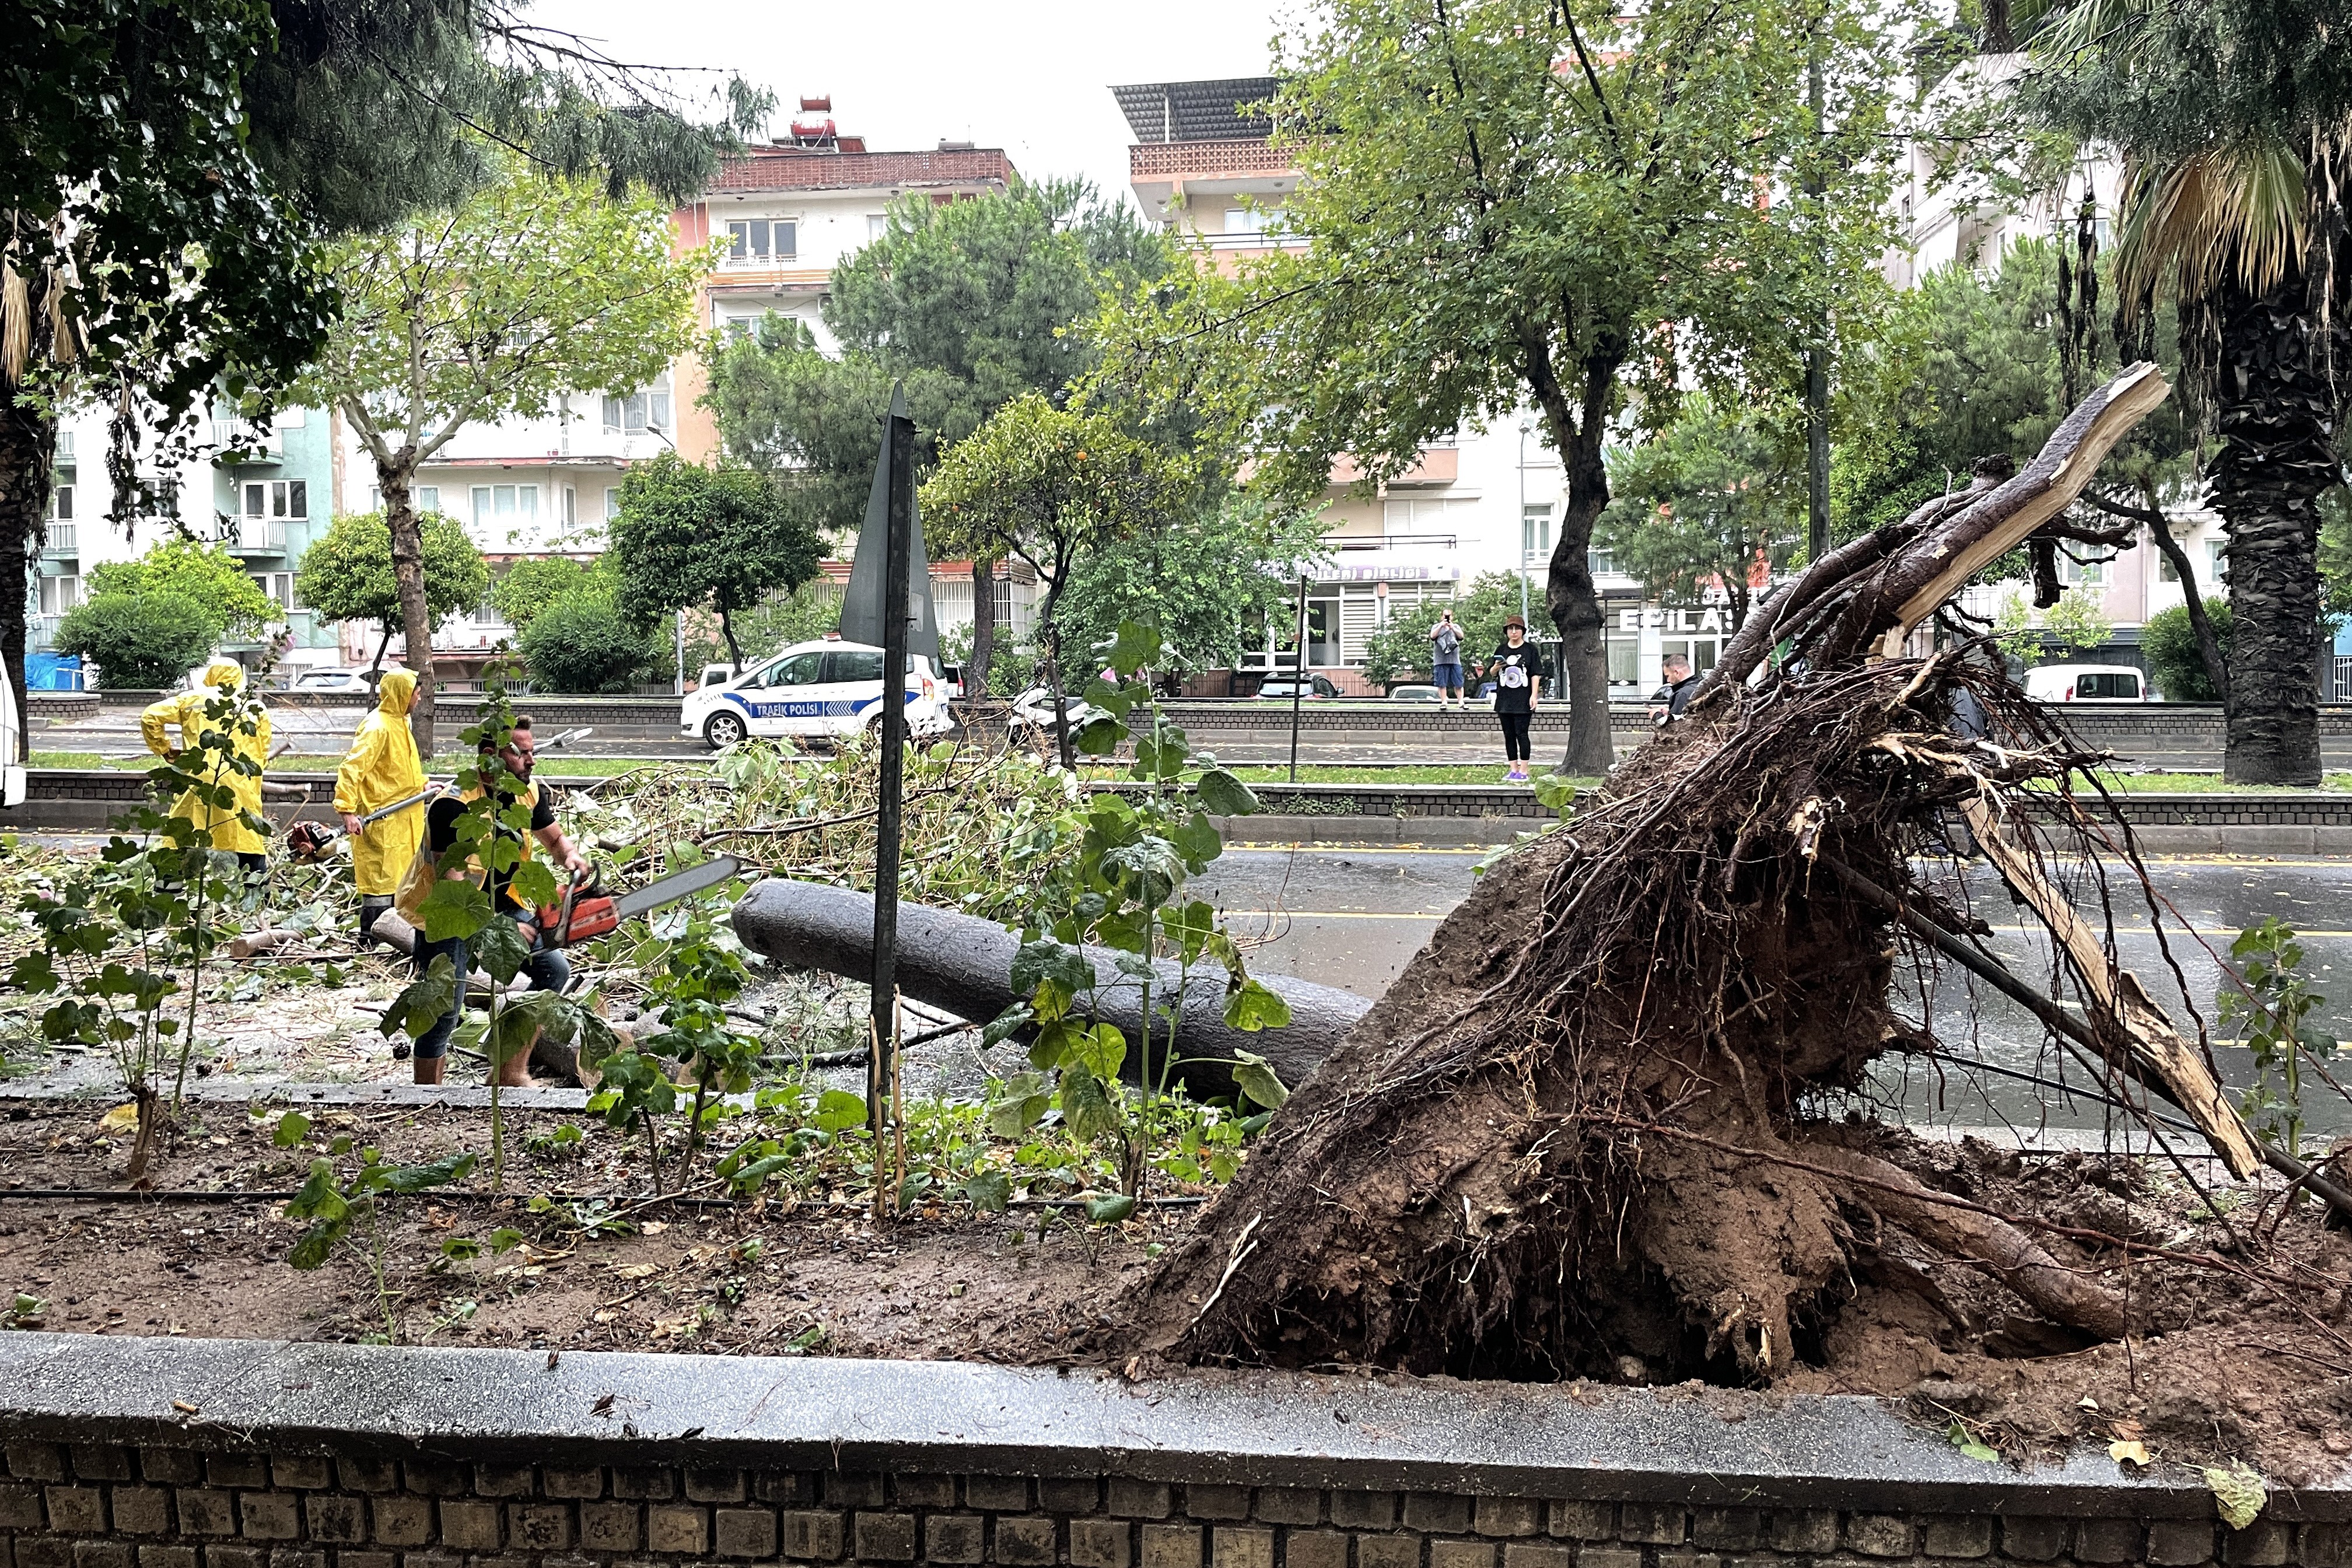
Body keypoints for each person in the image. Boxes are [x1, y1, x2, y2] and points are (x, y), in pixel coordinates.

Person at [392, 715, 589, 1087]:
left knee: (554, 971)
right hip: (447, 911)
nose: (532, 761)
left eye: (532, 753)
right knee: (443, 1005)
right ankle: (424, 1092)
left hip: (506, 902)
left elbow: (554, 840)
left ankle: (510, 1073)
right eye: (522, 754)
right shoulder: (452, 805)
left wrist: (571, 857)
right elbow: (454, 889)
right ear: (489, 757)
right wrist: (502, 929)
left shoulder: (526, 791)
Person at [140, 658, 272, 878]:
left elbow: (150, 716)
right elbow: (261, 752)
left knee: (180, 838)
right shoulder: (255, 707)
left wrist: (164, 749)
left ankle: (168, 894)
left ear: (211, 675)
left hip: (196, 779)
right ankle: (256, 899)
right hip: (237, 781)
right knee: (247, 838)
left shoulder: (192, 700)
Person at [333, 670, 428, 946]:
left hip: (403, 817)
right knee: (380, 884)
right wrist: (347, 811)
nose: (418, 699)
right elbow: (352, 768)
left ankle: (396, 939)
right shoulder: (378, 727)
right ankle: (370, 943)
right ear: (402, 694)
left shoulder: (400, 723)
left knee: (400, 881)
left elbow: (398, 767)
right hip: (382, 818)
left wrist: (421, 784)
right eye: (415, 694)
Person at [1485, 617, 1543, 782]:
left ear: (1523, 631)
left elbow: (1535, 674)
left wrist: (1534, 695)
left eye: (1517, 628)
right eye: (1511, 629)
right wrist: (1496, 667)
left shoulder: (1530, 650)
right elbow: (1492, 673)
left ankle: (1524, 770)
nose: (1514, 632)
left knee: (1522, 734)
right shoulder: (1501, 649)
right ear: (1507, 632)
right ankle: (1513, 769)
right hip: (1504, 700)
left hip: (1523, 699)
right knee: (1508, 735)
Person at [1648, 654, 1703, 726]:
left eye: (1668, 676)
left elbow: (1674, 728)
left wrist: (1656, 716)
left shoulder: (1682, 694)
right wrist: (1670, 713)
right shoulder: (1702, 686)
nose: (1668, 680)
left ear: (1677, 673)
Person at [1429, 610, 1466, 710]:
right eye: (1445, 616)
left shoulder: (1456, 626)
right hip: (1440, 660)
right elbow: (1432, 636)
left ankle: (1461, 701)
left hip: (1454, 660)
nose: (1447, 618)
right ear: (1442, 617)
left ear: (1452, 617)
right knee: (1441, 683)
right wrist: (1441, 626)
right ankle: (1444, 702)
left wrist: (1452, 627)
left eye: (1449, 616)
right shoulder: (1436, 626)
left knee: (1459, 682)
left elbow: (1461, 636)